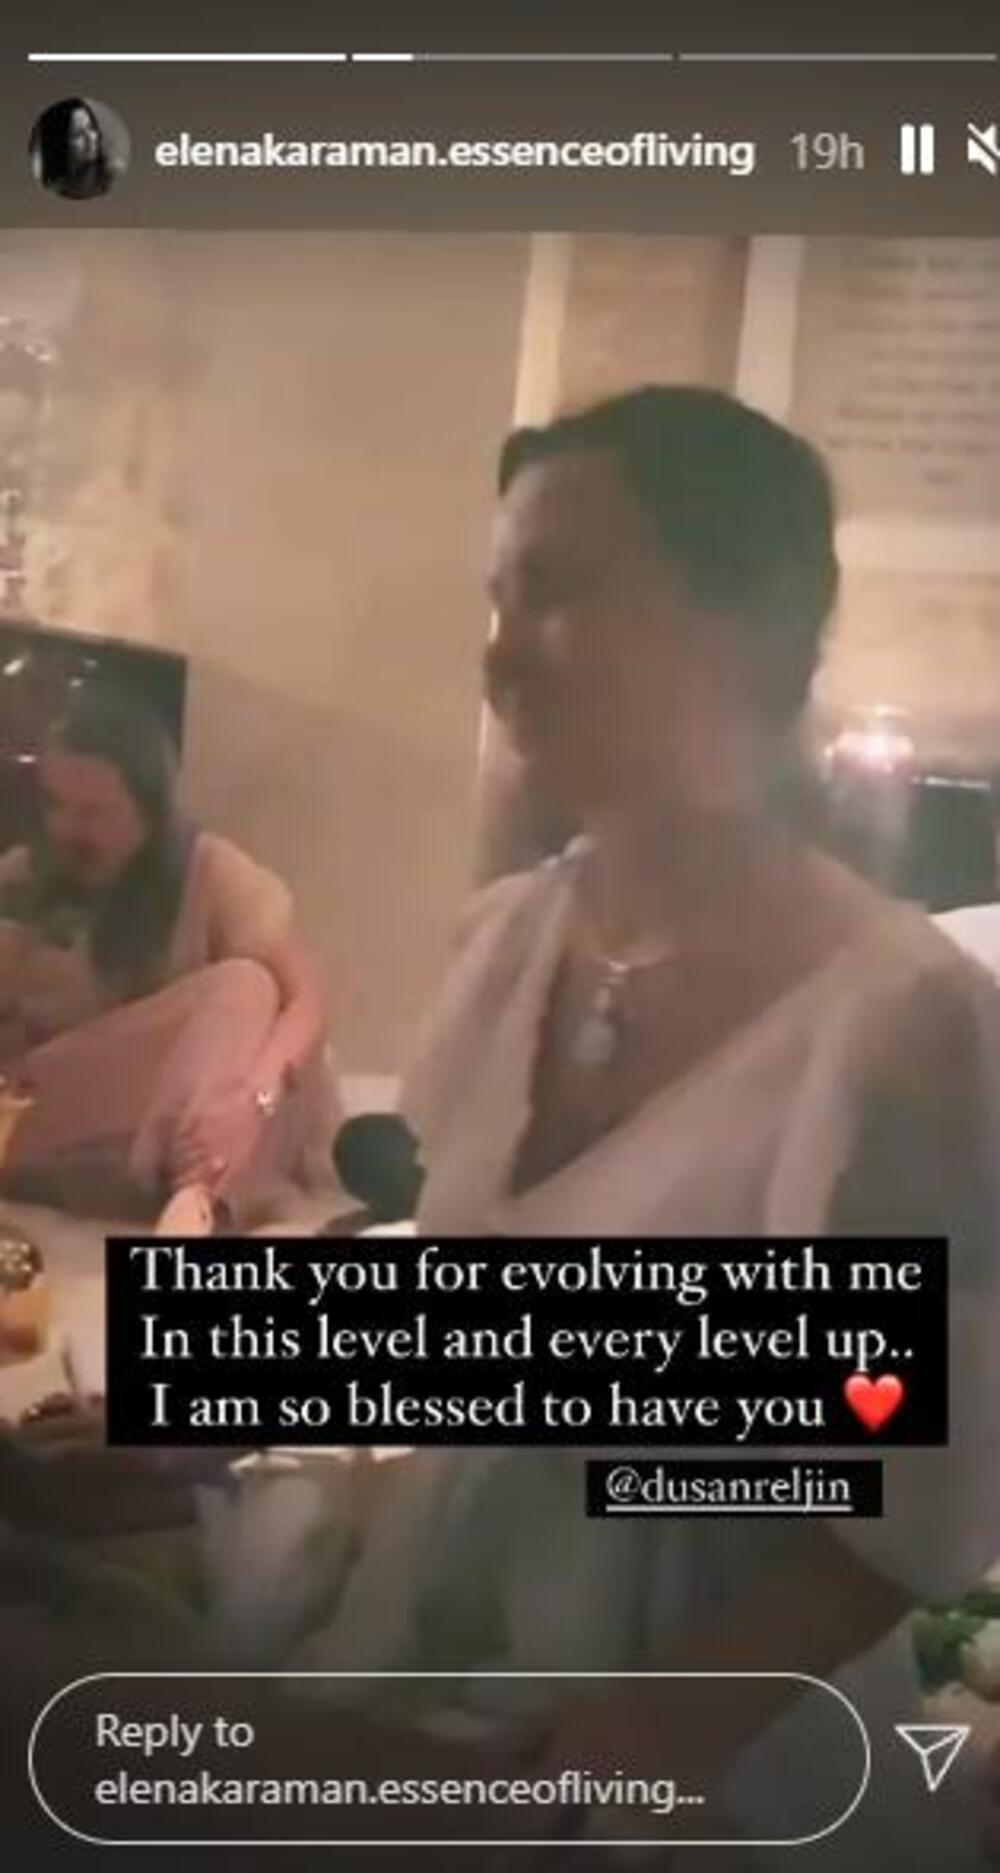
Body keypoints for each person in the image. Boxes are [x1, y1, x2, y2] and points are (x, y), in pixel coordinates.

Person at [292, 388, 1000, 1867]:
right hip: (435, 1645)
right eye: (496, 597)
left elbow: (919, 1495)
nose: (497, 656)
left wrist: (658, 1725)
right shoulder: (508, 940)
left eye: (553, 592)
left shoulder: (904, 1022)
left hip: (711, 1750)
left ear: (752, 618)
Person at [0, 686, 336, 1227]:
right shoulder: (23, 876)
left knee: (248, 988)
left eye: (94, 812)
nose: (67, 829)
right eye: (56, 806)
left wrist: (254, 1102)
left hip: (185, 1126)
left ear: (150, 811)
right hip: (43, 1117)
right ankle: (208, 1195)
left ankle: (195, 1196)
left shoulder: (210, 871)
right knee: (244, 990)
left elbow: (308, 1005)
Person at [29, 98, 117, 202]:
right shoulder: (55, 187)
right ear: (61, 144)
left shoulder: (110, 176)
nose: (91, 138)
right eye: (78, 134)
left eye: (90, 128)